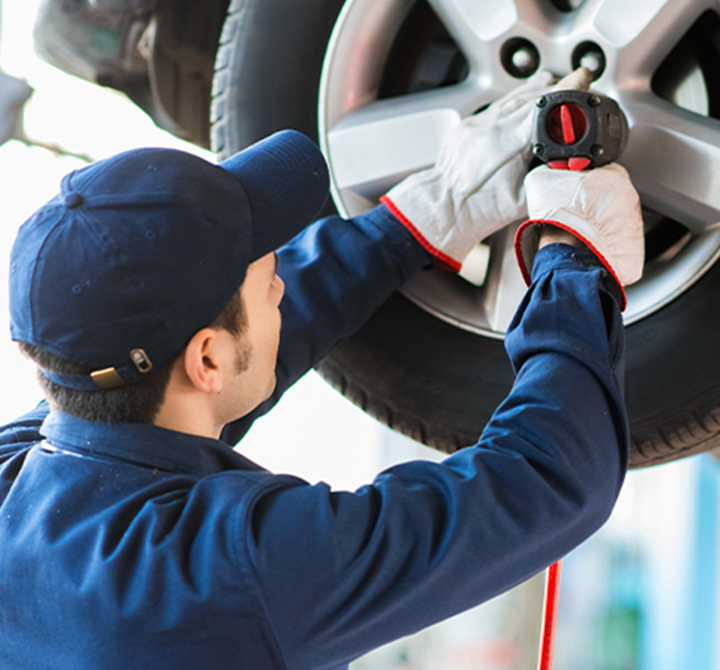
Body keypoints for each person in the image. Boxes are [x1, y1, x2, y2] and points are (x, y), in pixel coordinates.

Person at [0, 69, 644, 669]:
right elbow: (548, 482)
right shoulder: (218, 579)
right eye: (269, 278)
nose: (283, 285)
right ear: (206, 360)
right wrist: (573, 261)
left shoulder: (27, 467)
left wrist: (419, 218)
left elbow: (230, 351)